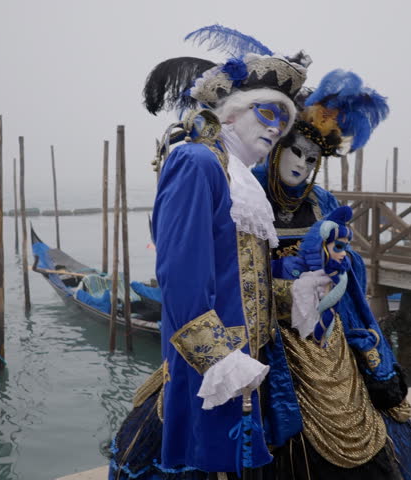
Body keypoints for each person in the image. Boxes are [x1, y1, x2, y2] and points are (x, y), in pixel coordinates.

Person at [106, 26, 309, 479]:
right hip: (215, 369)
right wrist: (218, 359)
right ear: (233, 114)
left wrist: (295, 293)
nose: (277, 128)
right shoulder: (196, 162)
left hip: (248, 360)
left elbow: (240, 277)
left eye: (284, 120)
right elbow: (180, 276)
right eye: (268, 112)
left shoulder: (242, 179)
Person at [255, 70, 411, 480]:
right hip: (266, 333)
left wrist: (336, 264)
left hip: (326, 332)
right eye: (295, 152)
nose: (301, 165)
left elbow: (348, 262)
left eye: (311, 159)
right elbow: (232, 268)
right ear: (276, 148)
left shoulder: (321, 202)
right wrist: (287, 280)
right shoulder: (249, 196)